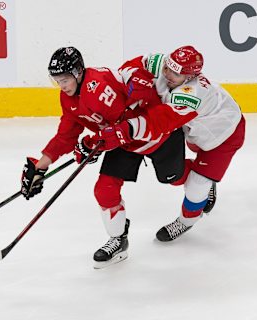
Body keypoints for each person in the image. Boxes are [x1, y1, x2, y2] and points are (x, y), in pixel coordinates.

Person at [20, 46, 186, 268]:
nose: (62, 86)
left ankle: (202, 184)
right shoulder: (69, 96)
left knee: (174, 178)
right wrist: (41, 166)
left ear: (78, 72)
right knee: (104, 190)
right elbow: (67, 133)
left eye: (66, 79)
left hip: (154, 136)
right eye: (57, 80)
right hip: (125, 142)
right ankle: (118, 240)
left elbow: (122, 127)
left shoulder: (97, 88)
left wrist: (91, 145)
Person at [87, 45, 246, 242]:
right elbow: (130, 67)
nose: (168, 74)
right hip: (195, 131)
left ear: (189, 78)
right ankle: (205, 183)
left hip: (224, 135)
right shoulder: (163, 63)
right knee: (192, 173)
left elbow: (160, 121)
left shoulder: (191, 94)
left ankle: (187, 221)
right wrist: (137, 77)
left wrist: (125, 129)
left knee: (197, 185)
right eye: (168, 69)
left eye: (175, 74)